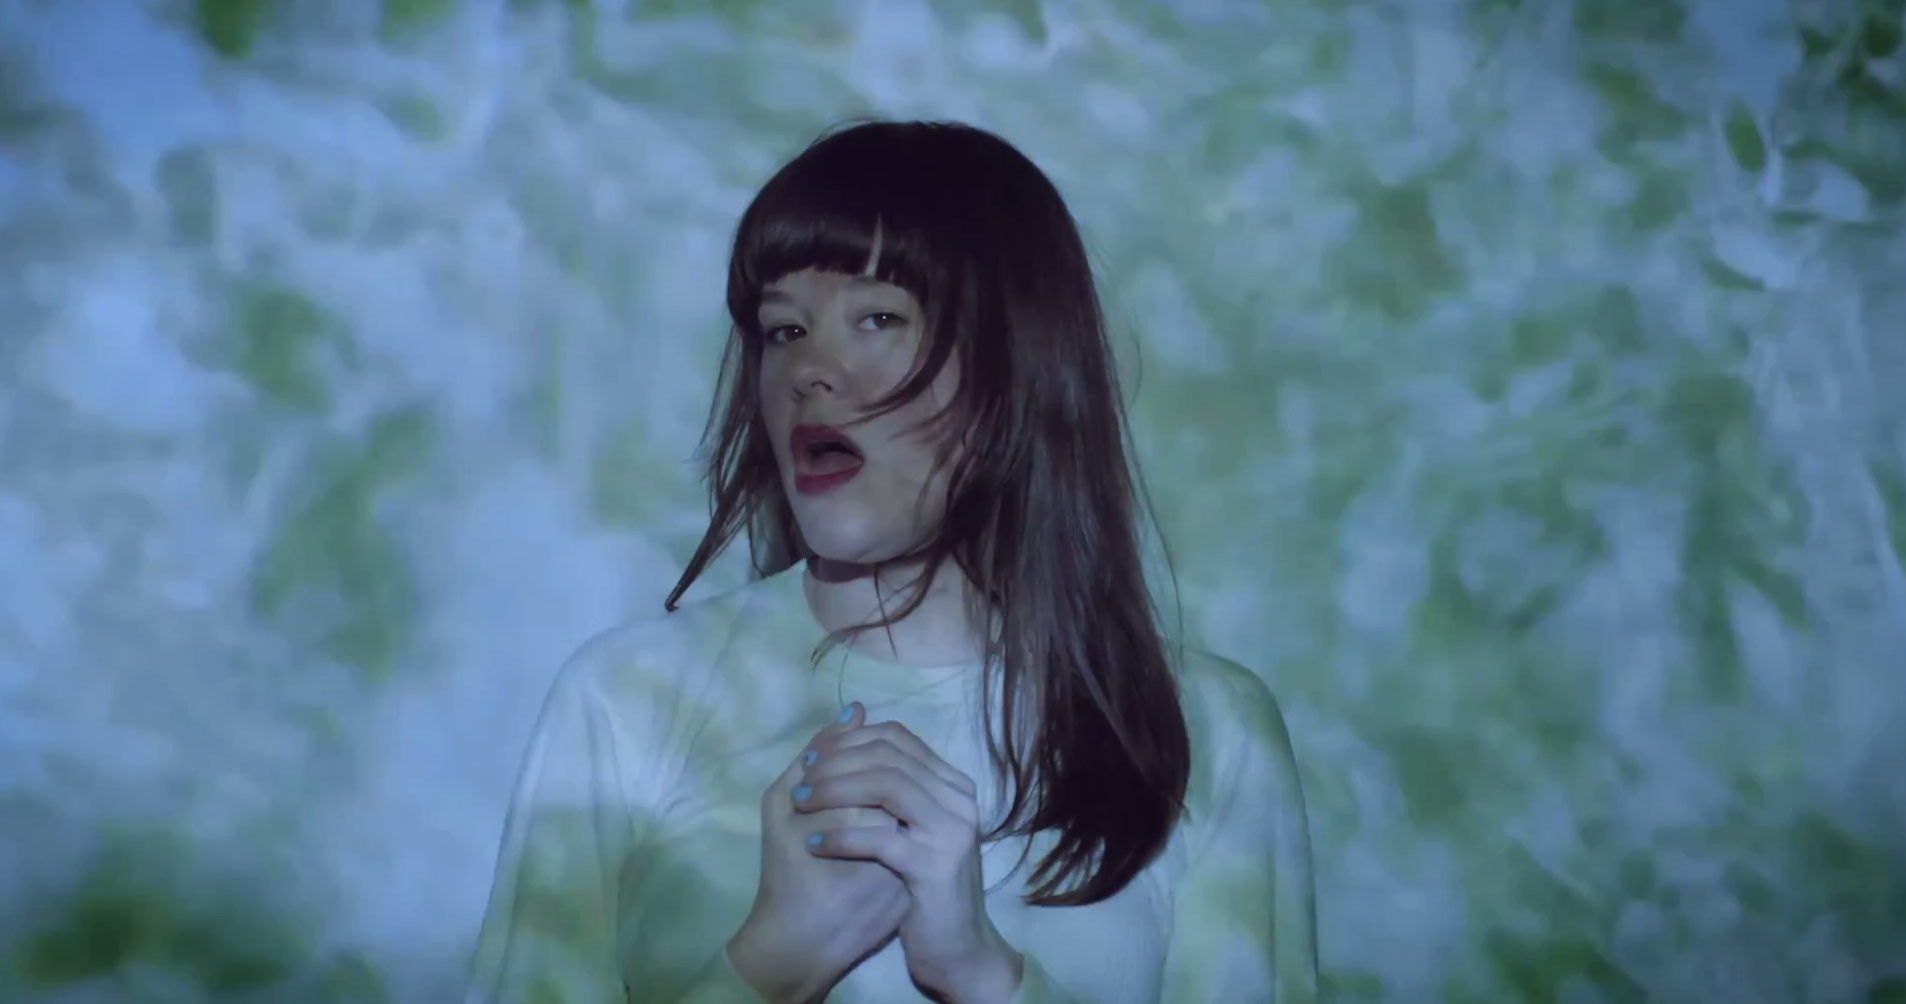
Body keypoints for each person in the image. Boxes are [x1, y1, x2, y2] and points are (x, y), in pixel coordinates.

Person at [466, 119, 1318, 1004]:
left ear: (1017, 366)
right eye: (783, 329)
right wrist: (774, 961)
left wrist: (981, 973)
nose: (810, 371)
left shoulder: (1208, 730)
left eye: (877, 318)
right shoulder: (626, 698)